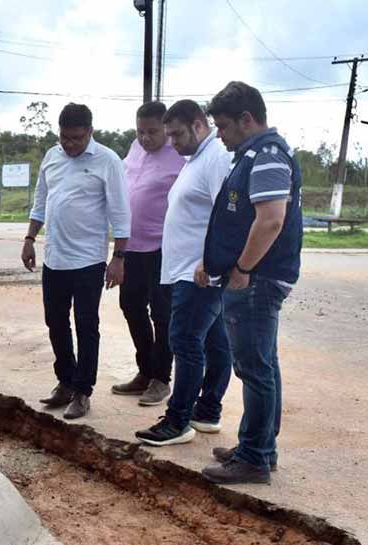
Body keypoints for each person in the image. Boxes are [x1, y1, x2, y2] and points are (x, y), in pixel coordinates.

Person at [198, 81, 303, 485]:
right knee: (264, 365)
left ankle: (255, 457)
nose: (220, 136)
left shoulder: (267, 156)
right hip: (256, 275)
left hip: (257, 278)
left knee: (254, 368)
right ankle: (258, 447)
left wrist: (241, 268)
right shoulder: (256, 155)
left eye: (223, 127)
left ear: (246, 119)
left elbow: (271, 220)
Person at [135, 100, 234, 447]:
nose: (172, 143)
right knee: (215, 340)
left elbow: (228, 215)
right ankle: (207, 411)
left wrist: (211, 262)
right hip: (189, 269)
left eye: (176, 134)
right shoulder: (196, 159)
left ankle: (178, 421)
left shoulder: (217, 158)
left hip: (199, 272)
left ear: (197, 124)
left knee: (185, 341)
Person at [22, 103, 131, 420]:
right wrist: (29, 239)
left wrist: (119, 258)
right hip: (54, 258)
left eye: (77, 138)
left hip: (88, 261)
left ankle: (83, 390)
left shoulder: (107, 160)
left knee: (86, 325)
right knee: (55, 322)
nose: (69, 144)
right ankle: (66, 381)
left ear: (90, 133)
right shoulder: (51, 156)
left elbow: (121, 214)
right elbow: (40, 201)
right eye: (65, 138)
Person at [111, 102, 186, 406]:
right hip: (131, 247)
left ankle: (161, 378)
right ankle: (145, 370)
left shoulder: (180, 155)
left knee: (162, 314)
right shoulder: (135, 147)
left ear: (166, 129)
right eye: (140, 131)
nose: (145, 138)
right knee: (130, 306)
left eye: (152, 132)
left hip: (163, 248)